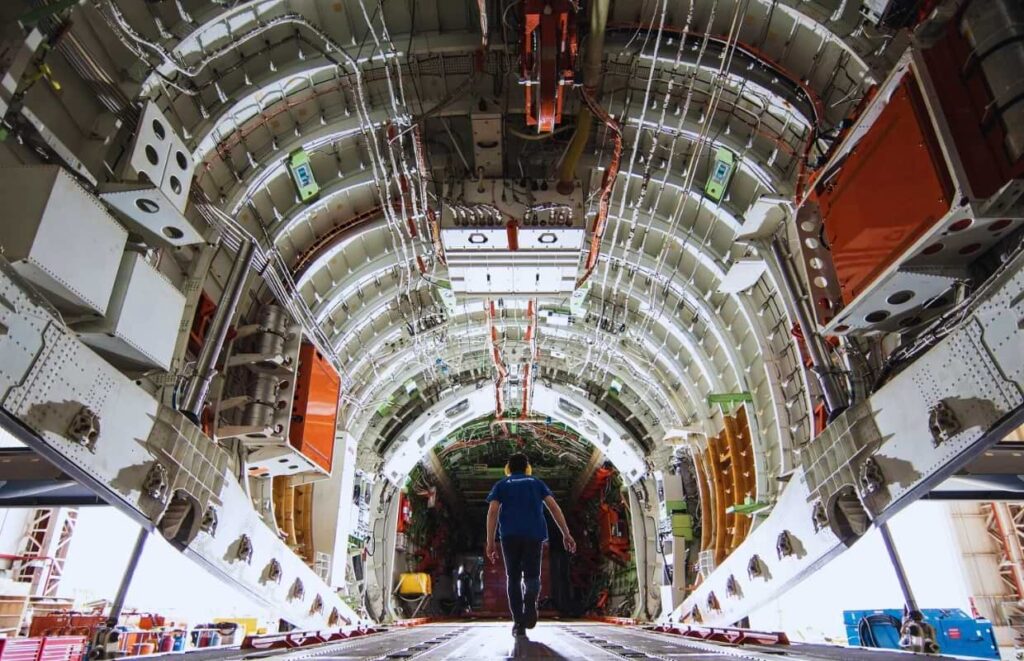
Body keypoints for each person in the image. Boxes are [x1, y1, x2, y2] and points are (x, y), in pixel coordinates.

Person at [485, 453, 576, 637]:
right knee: (532, 575)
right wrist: (566, 533)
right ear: (528, 468)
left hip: (509, 536)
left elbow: (493, 512)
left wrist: (490, 542)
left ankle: (518, 623)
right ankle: (530, 602)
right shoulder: (536, 483)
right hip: (533, 535)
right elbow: (553, 507)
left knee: (513, 577)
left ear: (508, 468)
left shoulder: (501, 485)